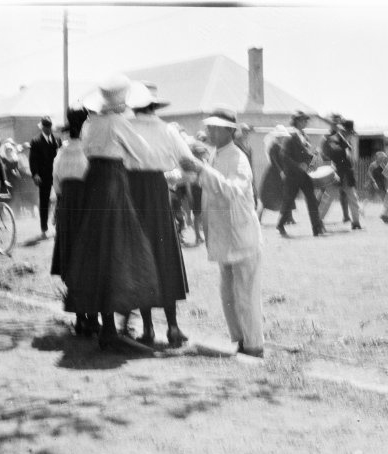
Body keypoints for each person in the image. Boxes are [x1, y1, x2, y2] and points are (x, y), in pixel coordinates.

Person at [64, 73, 160, 350]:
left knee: (97, 251)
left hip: (93, 182)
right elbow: (142, 152)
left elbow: (87, 149)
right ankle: (116, 327)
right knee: (122, 249)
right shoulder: (120, 122)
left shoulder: (91, 124)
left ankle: (106, 323)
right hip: (114, 183)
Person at [179, 106, 264, 358]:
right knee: (228, 295)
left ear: (229, 130)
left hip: (241, 237)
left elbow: (231, 191)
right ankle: (240, 341)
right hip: (225, 238)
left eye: (215, 127)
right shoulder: (217, 155)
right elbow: (201, 179)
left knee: (245, 294)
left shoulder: (238, 159)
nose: (210, 131)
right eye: (209, 127)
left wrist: (202, 170)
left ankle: (253, 346)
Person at [125, 80, 193, 347]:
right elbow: (188, 162)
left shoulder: (126, 129)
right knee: (164, 257)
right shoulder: (166, 130)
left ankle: (148, 327)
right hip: (156, 190)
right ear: (153, 106)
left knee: (140, 257)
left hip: (133, 192)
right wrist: (173, 177)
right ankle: (173, 327)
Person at [50, 106, 95, 337]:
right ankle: (92, 317)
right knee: (90, 257)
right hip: (86, 207)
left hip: (67, 206)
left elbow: (57, 183)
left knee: (72, 256)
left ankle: (80, 317)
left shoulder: (62, 152)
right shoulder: (89, 151)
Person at [278, 110, 324, 237]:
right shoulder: (289, 136)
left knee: (312, 200)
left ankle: (316, 228)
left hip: (305, 175)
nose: (306, 122)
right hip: (293, 176)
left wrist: (313, 156)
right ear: (297, 122)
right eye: (303, 120)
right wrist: (298, 166)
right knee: (289, 201)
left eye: (306, 120)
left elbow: (305, 153)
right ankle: (280, 224)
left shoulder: (305, 136)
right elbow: (284, 156)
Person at [321, 118, 362, 230]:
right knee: (328, 198)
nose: (350, 134)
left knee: (353, 197)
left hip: (347, 175)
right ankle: (318, 221)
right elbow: (334, 154)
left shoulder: (346, 143)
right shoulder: (332, 139)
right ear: (342, 130)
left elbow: (350, 159)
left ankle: (356, 222)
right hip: (335, 174)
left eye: (350, 133)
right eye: (348, 132)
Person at [29, 116, 62, 239]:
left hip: (57, 175)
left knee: (60, 198)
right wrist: (35, 174)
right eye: (45, 127)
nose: (48, 129)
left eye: (49, 127)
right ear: (42, 127)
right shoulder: (36, 141)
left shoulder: (57, 140)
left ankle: (57, 223)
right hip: (43, 176)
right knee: (44, 202)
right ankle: (44, 228)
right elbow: (33, 160)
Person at [257, 124, 291, 224]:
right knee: (267, 198)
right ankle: (258, 218)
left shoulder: (280, 147)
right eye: (281, 136)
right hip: (273, 174)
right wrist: (281, 171)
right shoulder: (273, 146)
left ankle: (287, 218)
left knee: (282, 196)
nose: (282, 138)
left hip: (279, 174)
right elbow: (274, 161)